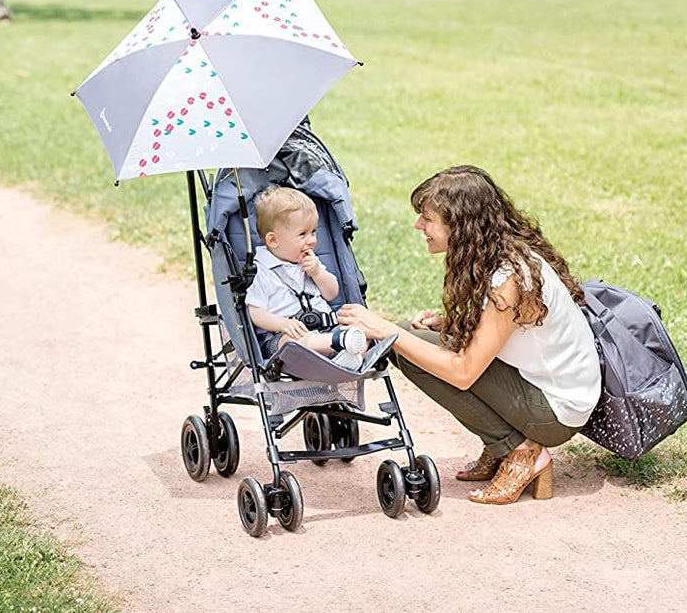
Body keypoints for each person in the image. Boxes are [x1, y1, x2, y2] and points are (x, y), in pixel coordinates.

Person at [339, 165, 601, 505]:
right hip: (546, 389)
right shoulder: (494, 254)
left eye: (427, 218)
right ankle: (506, 445)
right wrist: (446, 325)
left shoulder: (509, 277)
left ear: (460, 225)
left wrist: (383, 328)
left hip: (556, 411)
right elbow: (511, 329)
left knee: (401, 342)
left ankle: (521, 452)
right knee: (407, 337)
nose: (419, 225)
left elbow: (464, 372)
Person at [246, 186, 368, 370]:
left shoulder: (310, 261)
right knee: (292, 343)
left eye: (313, 232)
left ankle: (345, 357)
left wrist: (318, 273)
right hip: (287, 338)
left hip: (326, 328)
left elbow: (332, 294)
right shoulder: (260, 271)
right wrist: (283, 324)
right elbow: (254, 312)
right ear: (273, 240)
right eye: (302, 234)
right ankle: (341, 345)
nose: (311, 240)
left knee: (362, 332)